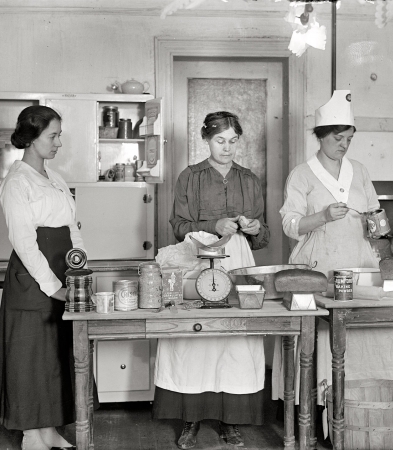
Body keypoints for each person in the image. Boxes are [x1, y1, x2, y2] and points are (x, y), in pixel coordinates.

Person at [274, 90, 393, 411]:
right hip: (319, 268)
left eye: (349, 139)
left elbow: (375, 214)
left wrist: (382, 231)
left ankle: (373, 406)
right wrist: (321, 216)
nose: (344, 145)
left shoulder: (359, 171)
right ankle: (319, 410)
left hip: (360, 266)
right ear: (320, 136)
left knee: (369, 337)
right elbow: (289, 225)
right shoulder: (302, 175)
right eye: (338, 137)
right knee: (321, 339)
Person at [153, 111, 270, 449]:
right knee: (195, 341)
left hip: (238, 263)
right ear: (206, 139)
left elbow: (263, 237)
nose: (227, 147)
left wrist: (255, 228)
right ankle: (190, 420)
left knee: (234, 340)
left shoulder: (249, 179)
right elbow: (177, 226)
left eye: (233, 141)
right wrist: (214, 226)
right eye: (220, 140)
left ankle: (229, 421)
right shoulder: (190, 177)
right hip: (198, 259)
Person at [0, 105, 82, 450]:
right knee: (31, 356)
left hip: (62, 270)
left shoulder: (55, 179)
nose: (59, 143)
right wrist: (53, 286)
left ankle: (50, 429)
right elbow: (24, 242)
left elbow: (72, 227)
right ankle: (31, 435)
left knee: (56, 353)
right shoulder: (17, 181)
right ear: (32, 137)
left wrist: (78, 267)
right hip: (34, 278)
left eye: (59, 135)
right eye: (52, 136)